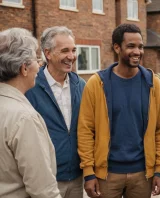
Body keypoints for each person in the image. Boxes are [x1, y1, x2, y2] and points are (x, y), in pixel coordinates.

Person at [78, 23, 160, 198]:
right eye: (131, 46)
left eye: (140, 46)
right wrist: (89, 172)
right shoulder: (97, 84)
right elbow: (85, 130)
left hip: (142, 174)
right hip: (106, 175)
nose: (138, 52)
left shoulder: (152, 83)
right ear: (117, 47)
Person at [0, 28, 61, 198]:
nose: (40, 64)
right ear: (24, 69)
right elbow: (43, 191)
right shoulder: (24, 118)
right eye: (36, 59)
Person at [25, 26, 86, 198]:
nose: (71, 56)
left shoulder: (81, 85)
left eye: (73, 50)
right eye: (65, 51)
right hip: (45, 179)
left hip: (76, 177)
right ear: (48, 53)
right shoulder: (31, 87)